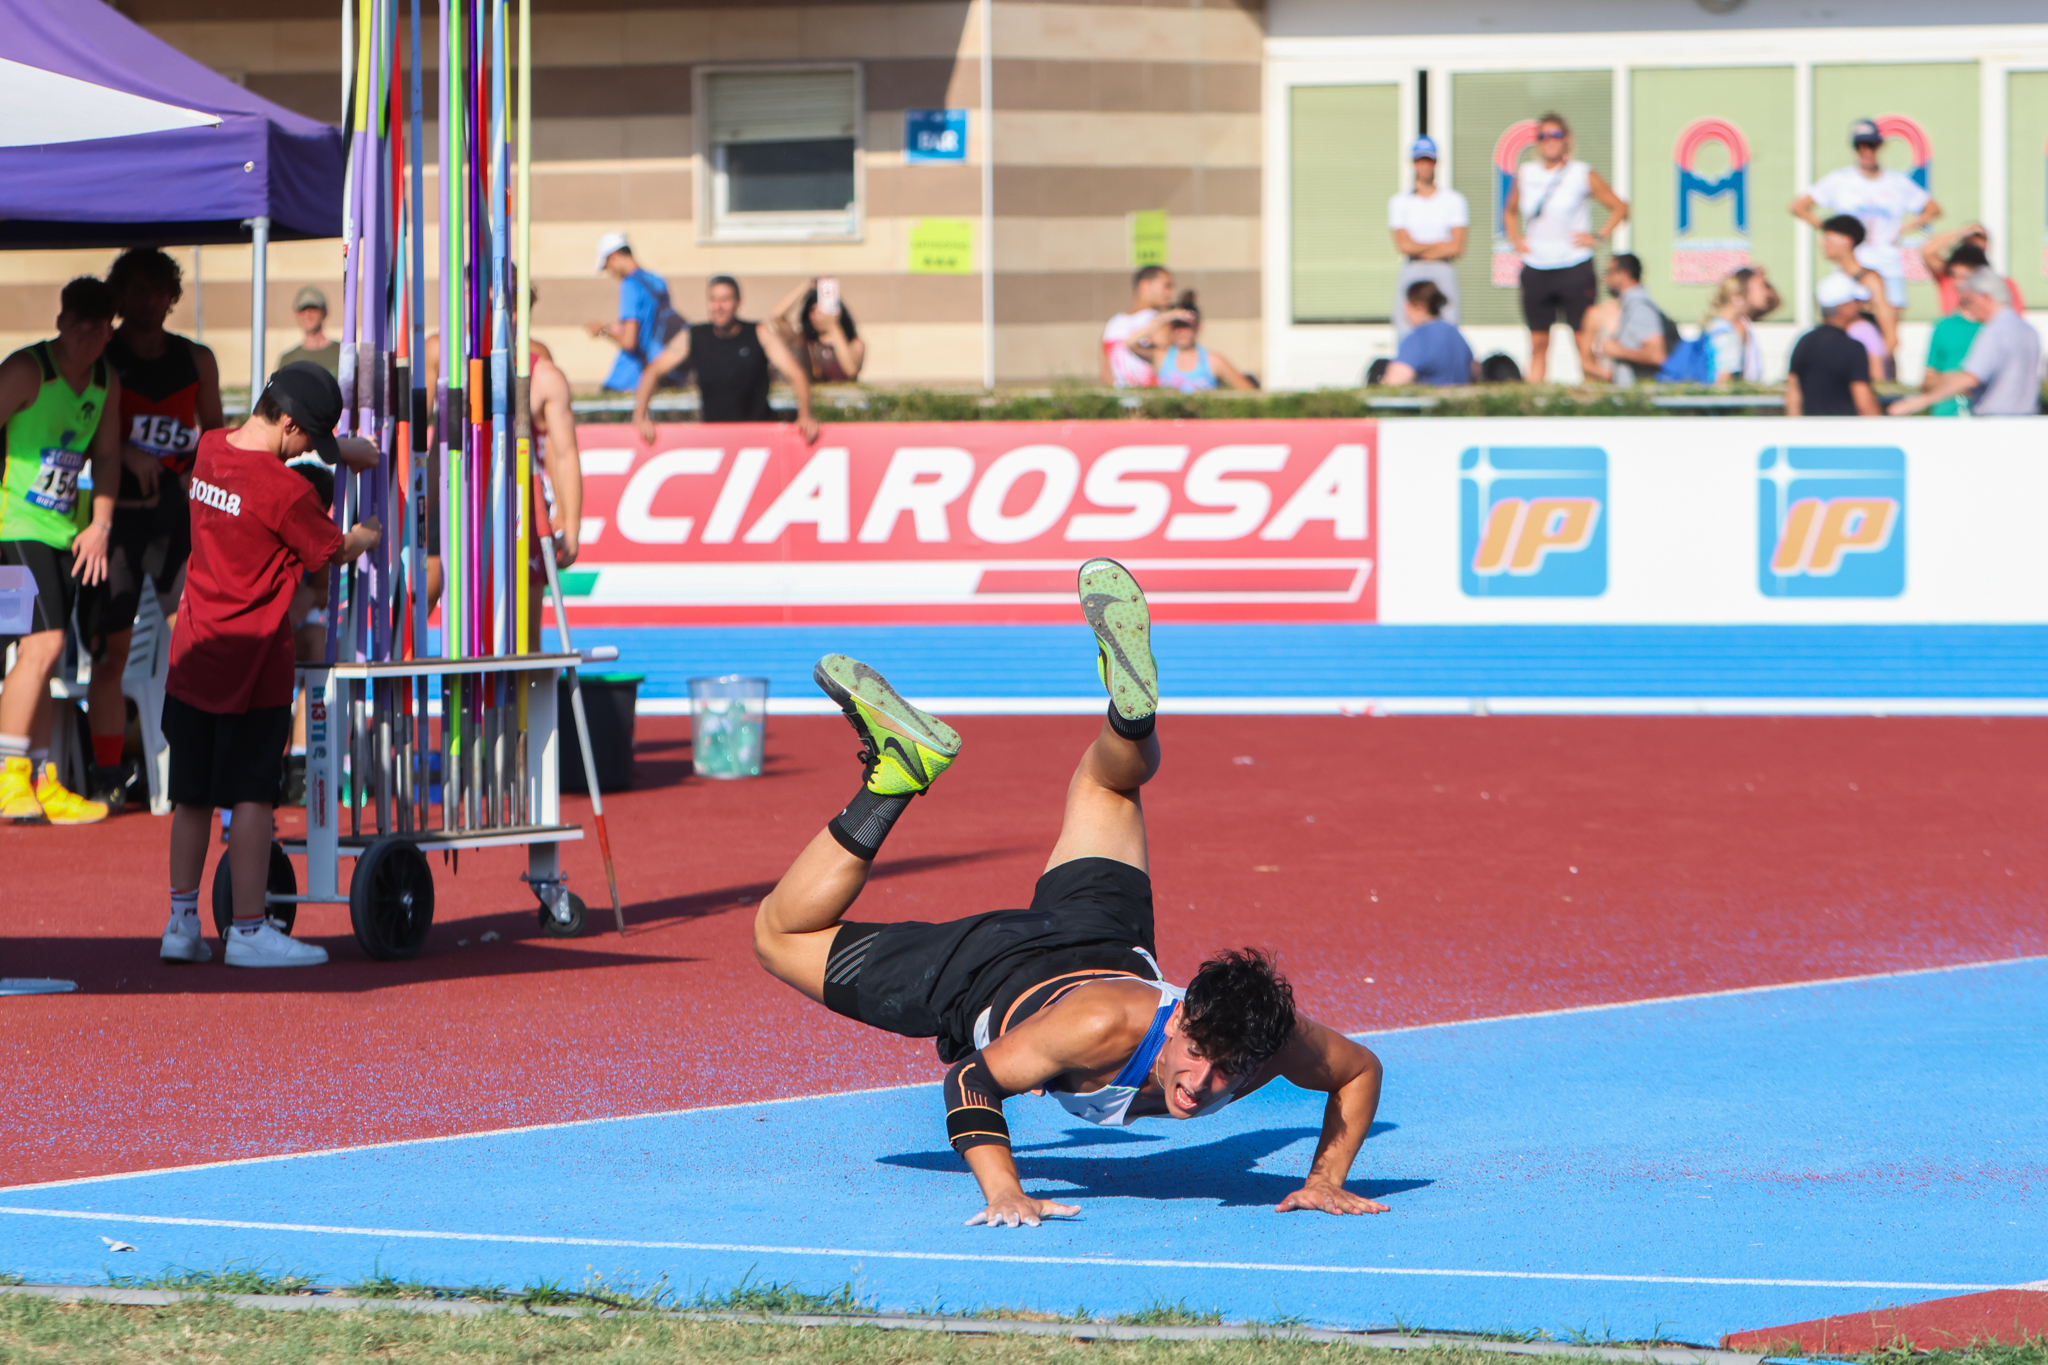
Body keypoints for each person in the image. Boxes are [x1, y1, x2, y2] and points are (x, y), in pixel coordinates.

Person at [752, 560, 1388, 1228]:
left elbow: (1359, 1070)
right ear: (1177, 1020)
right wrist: (1005, 1190)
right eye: (1198, 1054)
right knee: (778, 935)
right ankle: (897, 775)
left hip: (1104, 935)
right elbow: (971, 1079)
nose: (1201, 1085)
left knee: (1110, 783)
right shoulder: (1097, 1028)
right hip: (988, 968)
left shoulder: (1267, 1037)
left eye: (1229, 1069)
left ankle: (1130, 721)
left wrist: (1325, 1181)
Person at [161, 363, 381, 967]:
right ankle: (249, 930)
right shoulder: (286, 492)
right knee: (254, 795)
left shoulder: (210, 449)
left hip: (194, 651)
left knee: (191, 797)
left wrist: (341, 451)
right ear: (288, 423)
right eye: (308, 438)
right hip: (253, 661)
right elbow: (331, 550)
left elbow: (256, 470)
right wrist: (367, 534)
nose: (308, 450)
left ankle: (181, 922)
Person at [76, 248, 224, 812]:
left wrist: (192, 476)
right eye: (136, 290)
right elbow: (79, 435)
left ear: (173, 296)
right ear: (119, 296)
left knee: (196, 644)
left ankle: (199, 762)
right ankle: (109, 774)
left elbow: (215, 438)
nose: (149, 301)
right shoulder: (101, 356)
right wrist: (124, 452)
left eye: (159, 290)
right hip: (115, 520)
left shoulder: (196, 359)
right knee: (112, 652)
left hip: (176, 519)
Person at [0, 278, 120, 825]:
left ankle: (43, 778)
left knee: (41, 653)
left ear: (109, 331)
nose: (87, 338)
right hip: (13, 528)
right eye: (78, 326)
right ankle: (9, 773)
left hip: (63, 534)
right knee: (42, 644)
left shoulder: (106, 380)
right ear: (60, 323)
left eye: (98, 328)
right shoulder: (28, 371)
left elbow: (108, 455)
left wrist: (100, 524)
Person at [1502, 112, 1629, 385]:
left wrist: (1598, 235)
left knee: (1583, 341)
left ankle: (1593, 397)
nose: (1549, 141)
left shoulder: (1581, 173)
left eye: (1555, 135)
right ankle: (1533, 400)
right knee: (1538, 342)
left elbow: (1619, 207)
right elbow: (1509, 211)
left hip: (1574, 265)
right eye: (1543, 136)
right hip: (1537, 266)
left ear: (1567, 139)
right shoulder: (1527, 174)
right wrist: (1516, 239)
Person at [631, 276, 819, 445]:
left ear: (738, 303)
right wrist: (640, 417)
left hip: (760, 436)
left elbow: (796, 373)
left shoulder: (759, 333)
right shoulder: (694, 336)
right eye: (713, 299)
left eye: (725, 300)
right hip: (717, 439)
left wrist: (805, 416)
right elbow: (654, 370)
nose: (718, 306)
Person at [1793, 119, 1939, 312]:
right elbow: (1799, 206)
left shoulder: (1896, 182)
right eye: (1860, 146)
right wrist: (1833, 232)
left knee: (1888, 318)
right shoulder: (1841, 179)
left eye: (1871, 145)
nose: (1866, 151)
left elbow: (1932, 209)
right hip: (1854, 264)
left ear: (1879, 147)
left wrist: (1903, 228)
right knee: (1850, 317)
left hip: (1886, 263)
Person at [1888, 268, 2042, 417]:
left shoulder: (1995, 332)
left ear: (1985, 297)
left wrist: (1917, 402)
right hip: (2026, 419)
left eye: (1970, 301)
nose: (1969, 308)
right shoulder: (2028, 330)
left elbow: (1970, 378)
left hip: (1995, 420)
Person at [1387, 136, 1468, 341]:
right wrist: (1440, 244)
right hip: (1413, 267)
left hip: (1443, 268)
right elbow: (1404, 245)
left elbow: (1456, 247)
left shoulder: (1454, 200)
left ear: (1436, 162)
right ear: (1413, 163)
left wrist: (1420, 246)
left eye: (1428, 160)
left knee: (1448, 324)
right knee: (1406, 328)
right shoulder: (1400, 201)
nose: (1424, 165)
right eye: (1420, 160)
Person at [586, 233, 682, 394]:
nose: (609, 272)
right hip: (656, 373)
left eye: (606, 266)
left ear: (615, 256)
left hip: (628, 378)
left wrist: (602, 331)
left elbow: (630, 341)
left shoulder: (629, 284)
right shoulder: (658, 281)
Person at [1785, 273, 1881, 417]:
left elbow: (1793, 394)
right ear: (1844, 306)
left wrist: (1795, 427)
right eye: (1856, 301)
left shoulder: (1804, 342)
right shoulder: (1853, 348)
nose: (1859, 306)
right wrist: (1879, 425)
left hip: (1809, 429)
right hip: (1845, 428)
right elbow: (1863, 401)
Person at [1119, 292, 1256, 393]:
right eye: (1176, 326)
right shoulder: (1162, 356)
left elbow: (1248, 391)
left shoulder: (1213, 360)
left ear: (1197, 327)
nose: (1181, 331)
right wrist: (1163, 318)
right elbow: (1130, 343)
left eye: (1186, 326)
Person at [1815, 215, 1899, 365]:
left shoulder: (1870, 281)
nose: (1823, 243)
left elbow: (1890, 336)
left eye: (1828, 238)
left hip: (1867, 365)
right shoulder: (1834, 282)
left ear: (1847, 240)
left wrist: (1875, 368)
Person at [1587, 254, 1666, 385]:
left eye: (1609, 272)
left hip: (1640, 391)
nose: (1604, 278)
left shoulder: (1640, 307)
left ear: (1624, 273)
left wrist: (1616, 350)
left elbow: (1656, 355)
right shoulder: (1628, 305)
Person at [772, 278, 865, 384]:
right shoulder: (803, 340)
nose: (817, 315)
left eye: (822, 309)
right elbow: (777, 317)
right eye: (812, 310)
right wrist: (805, 287)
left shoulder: (854, 343)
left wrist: (833, 327)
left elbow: (851, 371)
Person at [1382, 281, 1474, 386]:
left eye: (1408, 303)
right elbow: (1476, 371)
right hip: (1460, 396)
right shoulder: (1456, 334)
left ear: (1420, 306)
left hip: (1431, 396)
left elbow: (1394, 381)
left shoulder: (1419, 338)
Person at [1919, 227, 2024, 317]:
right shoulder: (1949, 276)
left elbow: (2013, 317)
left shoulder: (2004, 283)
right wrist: (1960, 232)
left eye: (1981, 240)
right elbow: (1927, 252)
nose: (1975, 245)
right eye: (1971, 241)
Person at [1101, 266, 1177, 389]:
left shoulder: (1113, 324)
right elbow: (1169, 369)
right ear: (1145, 285)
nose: (1171, 293)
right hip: (1151, 398)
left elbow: (1107, 375)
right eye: (1167, 286)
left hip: (1120, 399)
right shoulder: (1159, 323)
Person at [1701, 267, 1779, 385]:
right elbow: (1725, 380)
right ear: (1740, 294)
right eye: (1761, 286)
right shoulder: (1730, 330)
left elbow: (1775, 303)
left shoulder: (1738, 324)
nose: (1767, 292)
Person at [276, 286, 340, 375]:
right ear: (296, 314)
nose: (308, 315)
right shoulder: (287, 360)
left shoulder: (342, 353)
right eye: (303, 310)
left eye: (313, 309)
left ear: (324, 312)